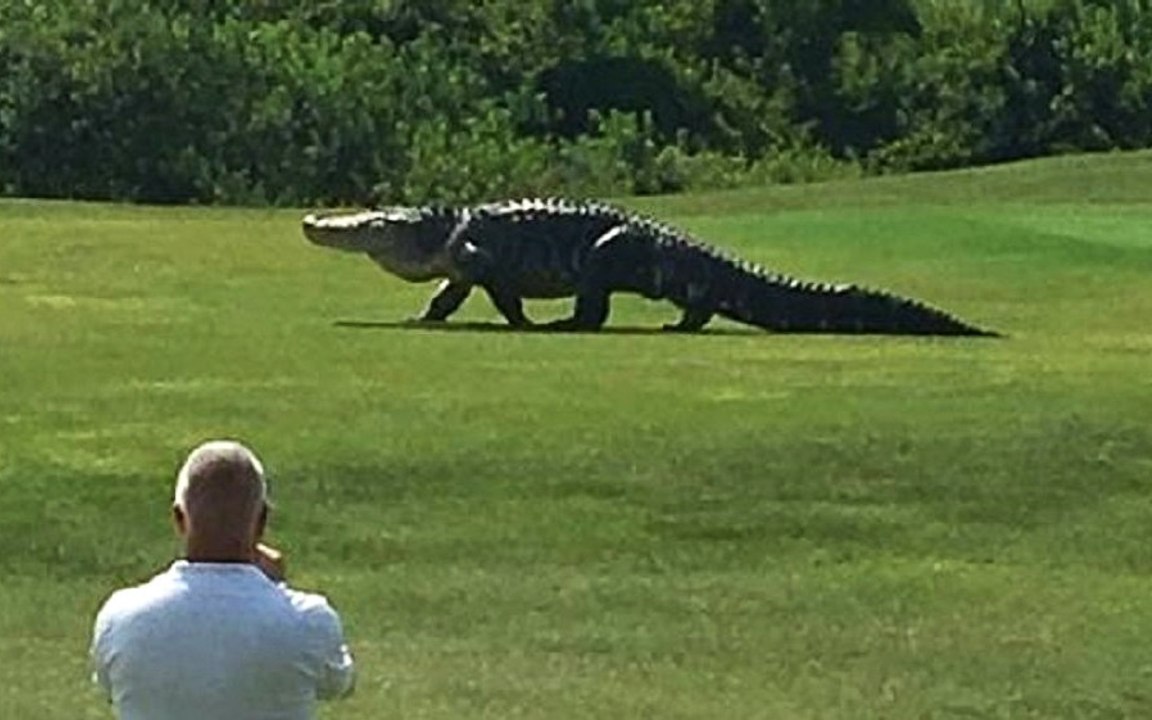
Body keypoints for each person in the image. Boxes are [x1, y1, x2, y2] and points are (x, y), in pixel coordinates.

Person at [89, 440, 355, 719]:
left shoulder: (120, 617)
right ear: (261, 521)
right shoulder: (308, 621)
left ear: (179, 519)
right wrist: (277, 589)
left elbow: (110, 687)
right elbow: (339, 683)